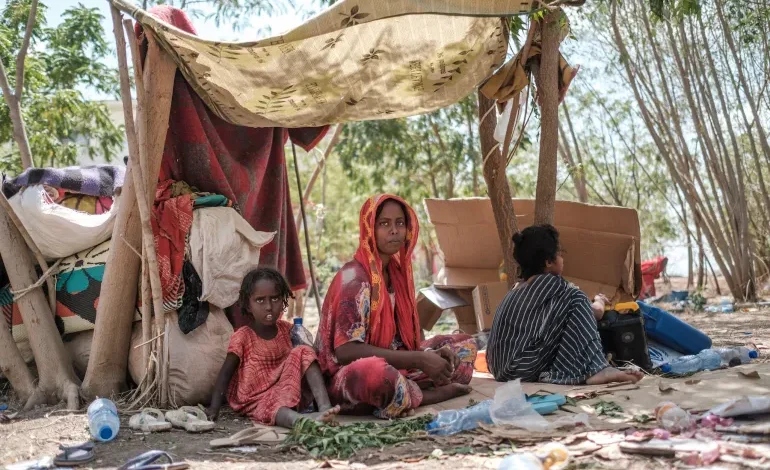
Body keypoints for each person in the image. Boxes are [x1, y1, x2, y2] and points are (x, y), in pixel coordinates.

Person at [315, 195, 477, 419]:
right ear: (369, 229)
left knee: (464, 346)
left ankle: (409, 391)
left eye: (400, 223)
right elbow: (346, 352)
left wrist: (428, 354)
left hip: (398, 364)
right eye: (384, 224)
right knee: (377, 376)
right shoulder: (354, 279)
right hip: (347, 376)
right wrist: (419, 360)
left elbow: (401, 342)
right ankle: (429, 394)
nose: (394, 230)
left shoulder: (398, 275)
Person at [487, 225, 644, 385]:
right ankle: (597, 368)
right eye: (560, 254)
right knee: (578, 298)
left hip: (498, 368)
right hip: (519, 369)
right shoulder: (554, 285)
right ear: (548, 262)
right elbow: (594, 313)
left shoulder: (516, 289)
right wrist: (600, 301)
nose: (563, 259)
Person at [205, 268, 340, 428]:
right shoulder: (243, 337)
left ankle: (324, 408)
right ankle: (302, 422)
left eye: (275, 299)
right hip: (257, 399)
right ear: (248, 305)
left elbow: (305, 360)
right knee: (277, 410)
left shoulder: (288, 330)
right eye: (260, 300)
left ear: (283, 300)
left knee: (303, 350)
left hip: (285, 390)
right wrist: (214, 408)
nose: (269, 306)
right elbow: (225, 374)